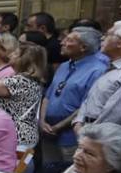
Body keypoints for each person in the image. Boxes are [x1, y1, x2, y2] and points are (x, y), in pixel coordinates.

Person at [40, 27, 106, 163]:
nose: (62, 42)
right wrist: (42, 121)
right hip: (47, 131)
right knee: (48, 172)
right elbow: (48, 96)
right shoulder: (64, 66)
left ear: (83, 47)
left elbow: (86, 106)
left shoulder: (98, 70)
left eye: (69, 40)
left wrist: (58, 127)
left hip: (70, 135)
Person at [0, 42, 47, 154]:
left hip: (16, 137)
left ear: (25, 59)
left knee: (9, 170)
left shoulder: (20, 81)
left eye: (16, 53)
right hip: (23, 136)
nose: (11, 55)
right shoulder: (29, 80)